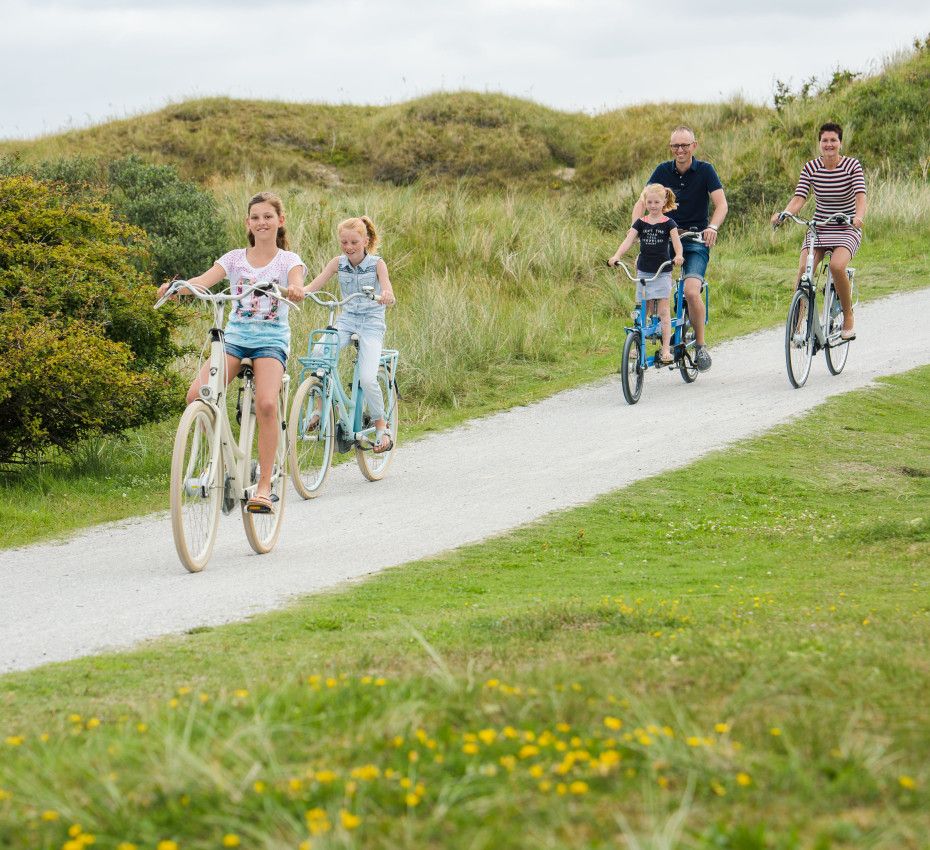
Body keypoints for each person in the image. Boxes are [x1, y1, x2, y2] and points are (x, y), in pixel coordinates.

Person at [156, 191, 306, 513]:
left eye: (268, 217)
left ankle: (264, 486)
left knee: (267, 404)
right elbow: (204, 281)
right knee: (197, 394)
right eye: (255, 218)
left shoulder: (288, 261)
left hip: (270, 339)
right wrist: (177, 288)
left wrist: (295, 289)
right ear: (248, 224)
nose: (261, 222)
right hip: (235, 337)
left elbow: (297, 284)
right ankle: (219, 463)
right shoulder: (235, 258)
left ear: (280, 221)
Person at [633, 125, 727, 371]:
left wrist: (713, 227)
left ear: (694, 146)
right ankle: (652, 330)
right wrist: (634, 230)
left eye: (685, 145)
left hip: (696, 240)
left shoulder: (706, 171)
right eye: (675, 145)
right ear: (671, 148)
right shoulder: (662, 171)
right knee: (648, 283)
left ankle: (701, 345)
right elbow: (641, 202)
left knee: (691, 291)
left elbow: (721, 204)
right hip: (663, 239)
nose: (680, 150)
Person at [304, 216, 396, 453]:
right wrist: (300, 292)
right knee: (319, 353)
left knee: (367, 378)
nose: (349, 247)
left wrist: (386, 295)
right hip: (347, 320)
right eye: (344, 242)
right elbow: (315, 284)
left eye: (354, 241)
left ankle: (381, 427)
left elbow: (388, 289)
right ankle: (317, 409)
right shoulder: (338, 263)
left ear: (366, 240)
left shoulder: (377, 264)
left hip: (371, 323)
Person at [771, 122, 866, 340]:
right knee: (805, 268)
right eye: (825, 140)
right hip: (820, 227)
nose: (829, 144)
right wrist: (784, 214)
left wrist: (858, 218)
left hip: (846, 227)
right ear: (819, 143)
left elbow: (861, 196)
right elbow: (799, 198)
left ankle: (848, 317)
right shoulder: (811, 168)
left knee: (837, 266)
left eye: (833, 140)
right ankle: (795, 324)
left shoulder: (852, 166)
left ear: (840, 143)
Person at [609, 184, 684, 365]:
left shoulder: (669, 224)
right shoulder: (640, 223)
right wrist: (617, 256)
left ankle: (666, 348)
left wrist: (679, 256)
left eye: (656, 202)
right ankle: (638, 344)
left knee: (664, 311)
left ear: (664, 201)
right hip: (644, 271)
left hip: (662, 271)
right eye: (649, 202)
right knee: (645, 309)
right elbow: (628, 241)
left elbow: (676, 244)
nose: (652, 205)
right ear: (645, 202)